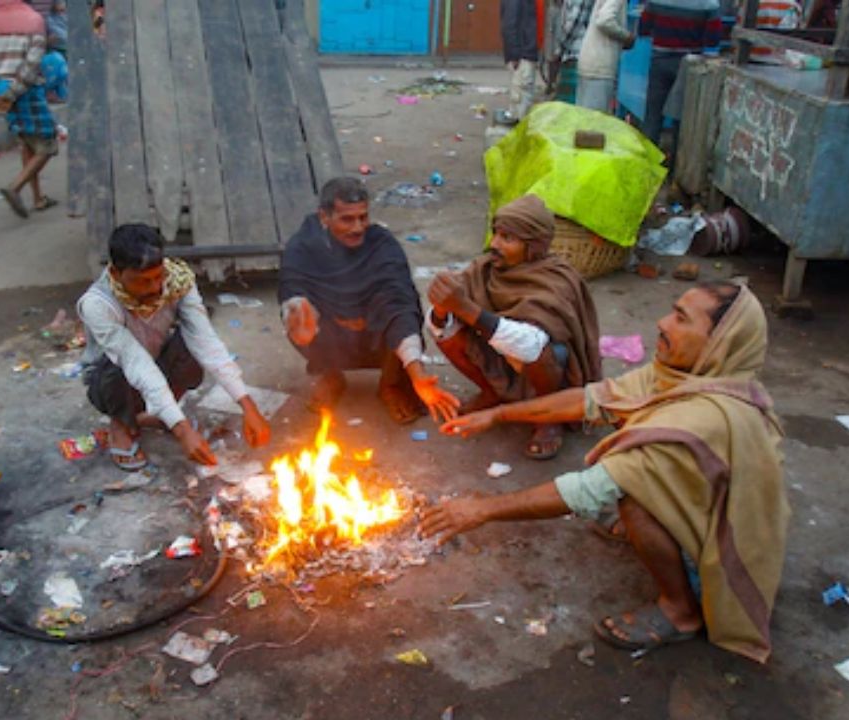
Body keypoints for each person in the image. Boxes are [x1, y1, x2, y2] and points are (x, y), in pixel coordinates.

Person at [425, 282, 790, 663]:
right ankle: (668, 540)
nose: (663, 323)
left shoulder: (704, 418)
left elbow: (587, 491)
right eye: (672, 310)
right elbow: (592, 399)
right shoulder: (687, 378)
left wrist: (481, 510)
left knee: (633, 497)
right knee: (629, 465)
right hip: (707, 518)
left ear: (719, 342)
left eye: (682, 319)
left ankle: (682, 611)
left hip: (723, 571)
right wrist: (498, 414)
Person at [78, 224, 271, 471]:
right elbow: (135, 363)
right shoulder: (97, 304)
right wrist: (183, 431)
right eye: (142, 281)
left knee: (189, 348)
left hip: (157, 357)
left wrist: (247, 406)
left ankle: (163, 414)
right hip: (111, 375)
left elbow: (206, 341)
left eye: (158, 276)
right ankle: (121, 424)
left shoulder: (178, 281)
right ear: (116, 274)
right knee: (117, 370)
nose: (154, 288)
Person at [426, 195, 602, 460]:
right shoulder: (484, 269)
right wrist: (442, 308)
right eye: (496, 233)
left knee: (545, 353)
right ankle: (492, 392)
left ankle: (547, 419)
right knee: (450, 335)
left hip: (549, 372)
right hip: (502, 357)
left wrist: (466, 308)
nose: (494, 244)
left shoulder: (556, 281)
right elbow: (439, 328)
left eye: (507, 238)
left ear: (534, 247)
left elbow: (532, 345)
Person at [279, 177, 460, 426]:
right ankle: (330, 376)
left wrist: (417, 375)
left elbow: (401, 306)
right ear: (324, 217)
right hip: (330, 335)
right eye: (347, 219)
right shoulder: (301, 247)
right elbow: (291, 289)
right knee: (298, 315)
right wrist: (300, 321)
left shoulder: (382, 244)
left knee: (405, 312)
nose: (357, 228)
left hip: (379, 335)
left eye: (363, 217)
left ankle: (391, 385)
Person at [0, 0, 60, 218]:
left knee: (27, 142)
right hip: (25, 89)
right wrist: (13, 92)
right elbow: (31, 66)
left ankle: (38, 198)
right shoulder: (33, 20)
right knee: (48, 145)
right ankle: (15, 187)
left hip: (0, 86)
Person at [638, 0, 723, 150]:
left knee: (653, 115)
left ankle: (649, 163)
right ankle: (677, 164)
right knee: (684, 118)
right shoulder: (709, 3)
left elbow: (643, 28)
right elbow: (713, 39)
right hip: (690, 65)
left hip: (660, 61)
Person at [576, 0, 636, 112]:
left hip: (590, 61)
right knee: (594, 122)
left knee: (583, 119)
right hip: (600, 66)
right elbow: (605, 20)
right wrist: (626, 37)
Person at [501, 0, 541, 123]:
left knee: (523, 98)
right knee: (521, 101)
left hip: (526, 52)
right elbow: (509, 24)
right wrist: (514, 55)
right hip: (523, 54)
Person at [549, 0, 597, 103]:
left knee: (568, 103)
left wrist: (559, 49)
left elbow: (573, 23)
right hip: (579, 51)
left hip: (574, 52)